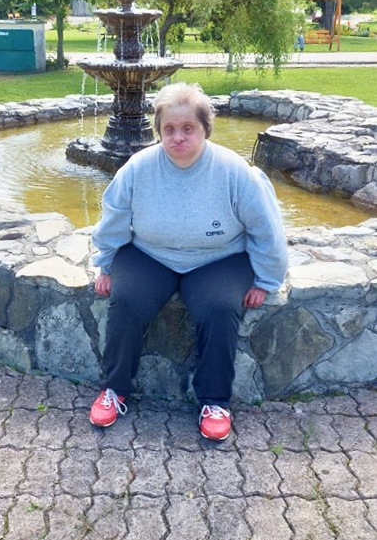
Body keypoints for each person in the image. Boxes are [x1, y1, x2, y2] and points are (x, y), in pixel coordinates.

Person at [90, 83, 288, 441]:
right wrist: (105, 266)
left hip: (219, 259)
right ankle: (115, 389)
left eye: (188, 128)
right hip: (150, 255)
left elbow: (265, 228)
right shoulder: (138, 168)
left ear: (205, 129)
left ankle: (215, 402)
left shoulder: (234, 171)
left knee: (219, 308)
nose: (178, 137)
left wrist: (266, 280)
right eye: (169, 129)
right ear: (158, 131)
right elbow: (114, 218)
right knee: (126, 302)